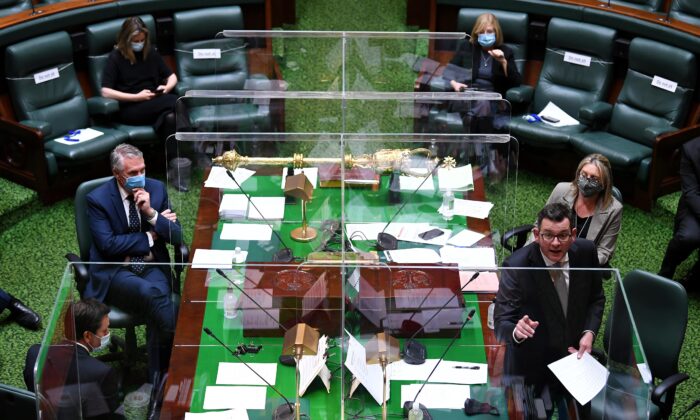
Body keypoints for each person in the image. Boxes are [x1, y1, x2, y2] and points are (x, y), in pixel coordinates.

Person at [84, 143, 182, 382]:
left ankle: (157, 377)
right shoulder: (97, 200)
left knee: (157, 304)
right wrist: (150, 235)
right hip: (115, 270)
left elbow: (177, 236)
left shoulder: (156, 190)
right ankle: (175, 359)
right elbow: (108, 246)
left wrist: (150, 213)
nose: (141, 177)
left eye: (143, 170)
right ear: (118, 175)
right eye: (133, 173)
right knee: (154, 296)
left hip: (151, 265)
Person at [495, 203, 604, 415]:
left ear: (573, 234)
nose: (555, 243)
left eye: (563, 236)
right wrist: (517, 332)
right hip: (533, 369)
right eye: (548, 236)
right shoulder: (517, 266)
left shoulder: (586, 253)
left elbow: (596, 299)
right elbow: (501, 323)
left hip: (574, 361)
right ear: (536, 235)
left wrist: (589, 332)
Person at [24, 299, 121, 419]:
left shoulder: (35, 353)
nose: (108, 334)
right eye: (104, 331)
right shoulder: (102, 373)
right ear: (87, 336)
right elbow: (109, 416)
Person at [101, 17, 178, 142]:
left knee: (170, 118)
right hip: (131, 107)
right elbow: (105, 91)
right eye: (135, 41)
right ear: (126, 39)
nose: (139, 44)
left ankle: (176, 160)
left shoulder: (150, 52)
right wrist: (137, 97)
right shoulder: (115, 57)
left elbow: (172, 76)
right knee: (177, 101)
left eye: (142, 40)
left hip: (154, 101)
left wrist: (166, 87)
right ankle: (197, 148)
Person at [538, 154, 622, 267]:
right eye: (583, 174)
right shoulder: (561, 190)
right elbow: (540, 226)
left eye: (594, 178)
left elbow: (604, 251)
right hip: (548, 253)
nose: (586, 181)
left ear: (604, 183)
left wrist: (576, 263)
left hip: (580, 264)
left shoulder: (614, 210)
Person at [448, 13, 522, 96]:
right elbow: (449, 71)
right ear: (477, 33)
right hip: (467, 94)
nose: (485, 35)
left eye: (489, 31)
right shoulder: (467, 47)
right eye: (481, 32)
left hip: (491, 97)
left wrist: (503, 62)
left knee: (482, 103)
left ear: (496, 32)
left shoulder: (506, 51)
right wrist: (455, 84)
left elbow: (516, 82)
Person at [659, 137, 700, 283]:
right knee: (688, 236)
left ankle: (694, 278)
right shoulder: (690, 149)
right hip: (695, 206)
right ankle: (665, 274)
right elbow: (691, 193)